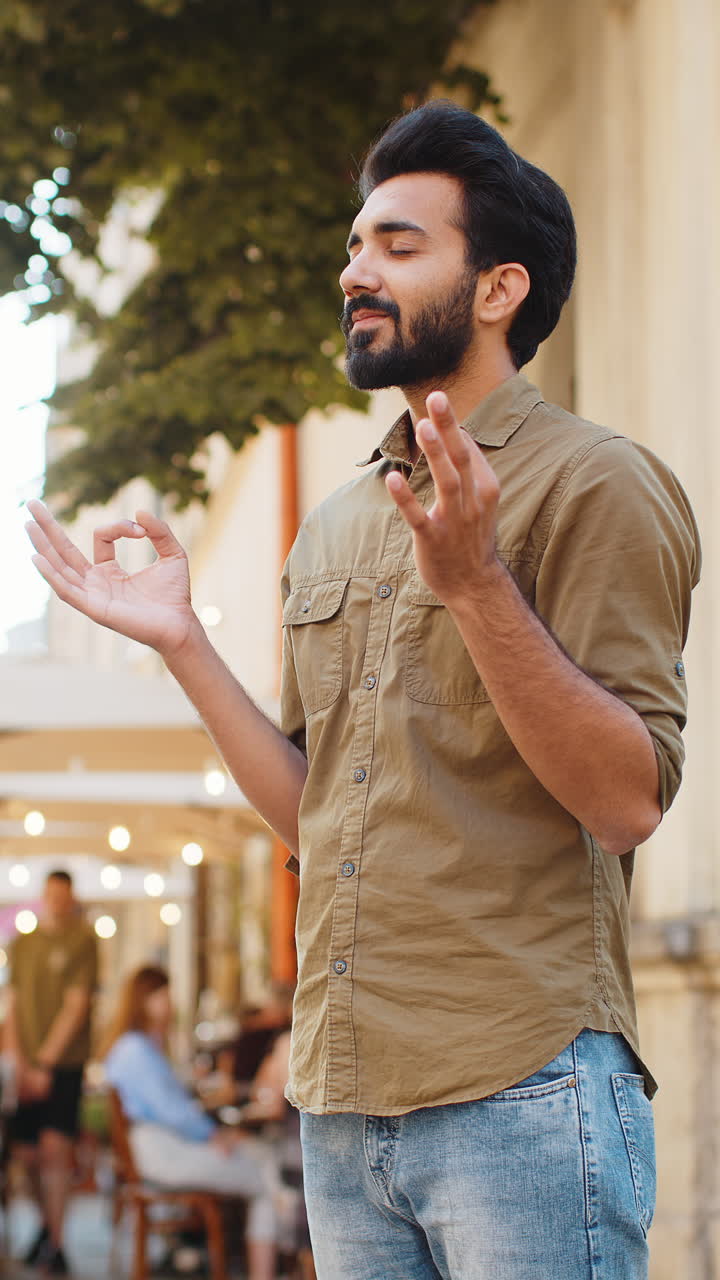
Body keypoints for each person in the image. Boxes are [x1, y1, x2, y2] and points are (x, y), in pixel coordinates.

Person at [26, 99, 701, 1279]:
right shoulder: (334, 522)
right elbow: (317, 814)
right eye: (354, 245)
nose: (355, 271)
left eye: (398, 244)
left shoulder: (600, 484)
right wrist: (183, 641)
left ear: (498, 288)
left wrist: (478, 585)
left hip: (525, 1086)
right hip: (342, 1104)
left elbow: (626, 799)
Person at [102, 965, 278, 1280]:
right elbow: (173, 1111)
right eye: (163, 995)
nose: (170, 1003)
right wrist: (213, 1134)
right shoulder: (136, 1051)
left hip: (159, 1150)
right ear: (145, 1000)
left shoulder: (136, 1048)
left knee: (259, 1159)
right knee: (268, 1175)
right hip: (163, 1154)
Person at [2, 869, 98, 1275]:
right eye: (51, 894)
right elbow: (14, 1004)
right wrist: (20, 1062)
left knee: (55, 1150)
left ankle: (56, 1242)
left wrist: (46, 1063)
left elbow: (76, 1007)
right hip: (26, 1065)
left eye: (63, 894)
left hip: (65, 1064)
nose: (57, 900)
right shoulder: (22, 944)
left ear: (70, 896)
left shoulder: (82, 940)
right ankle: (46, 1226)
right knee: (25, 1154)